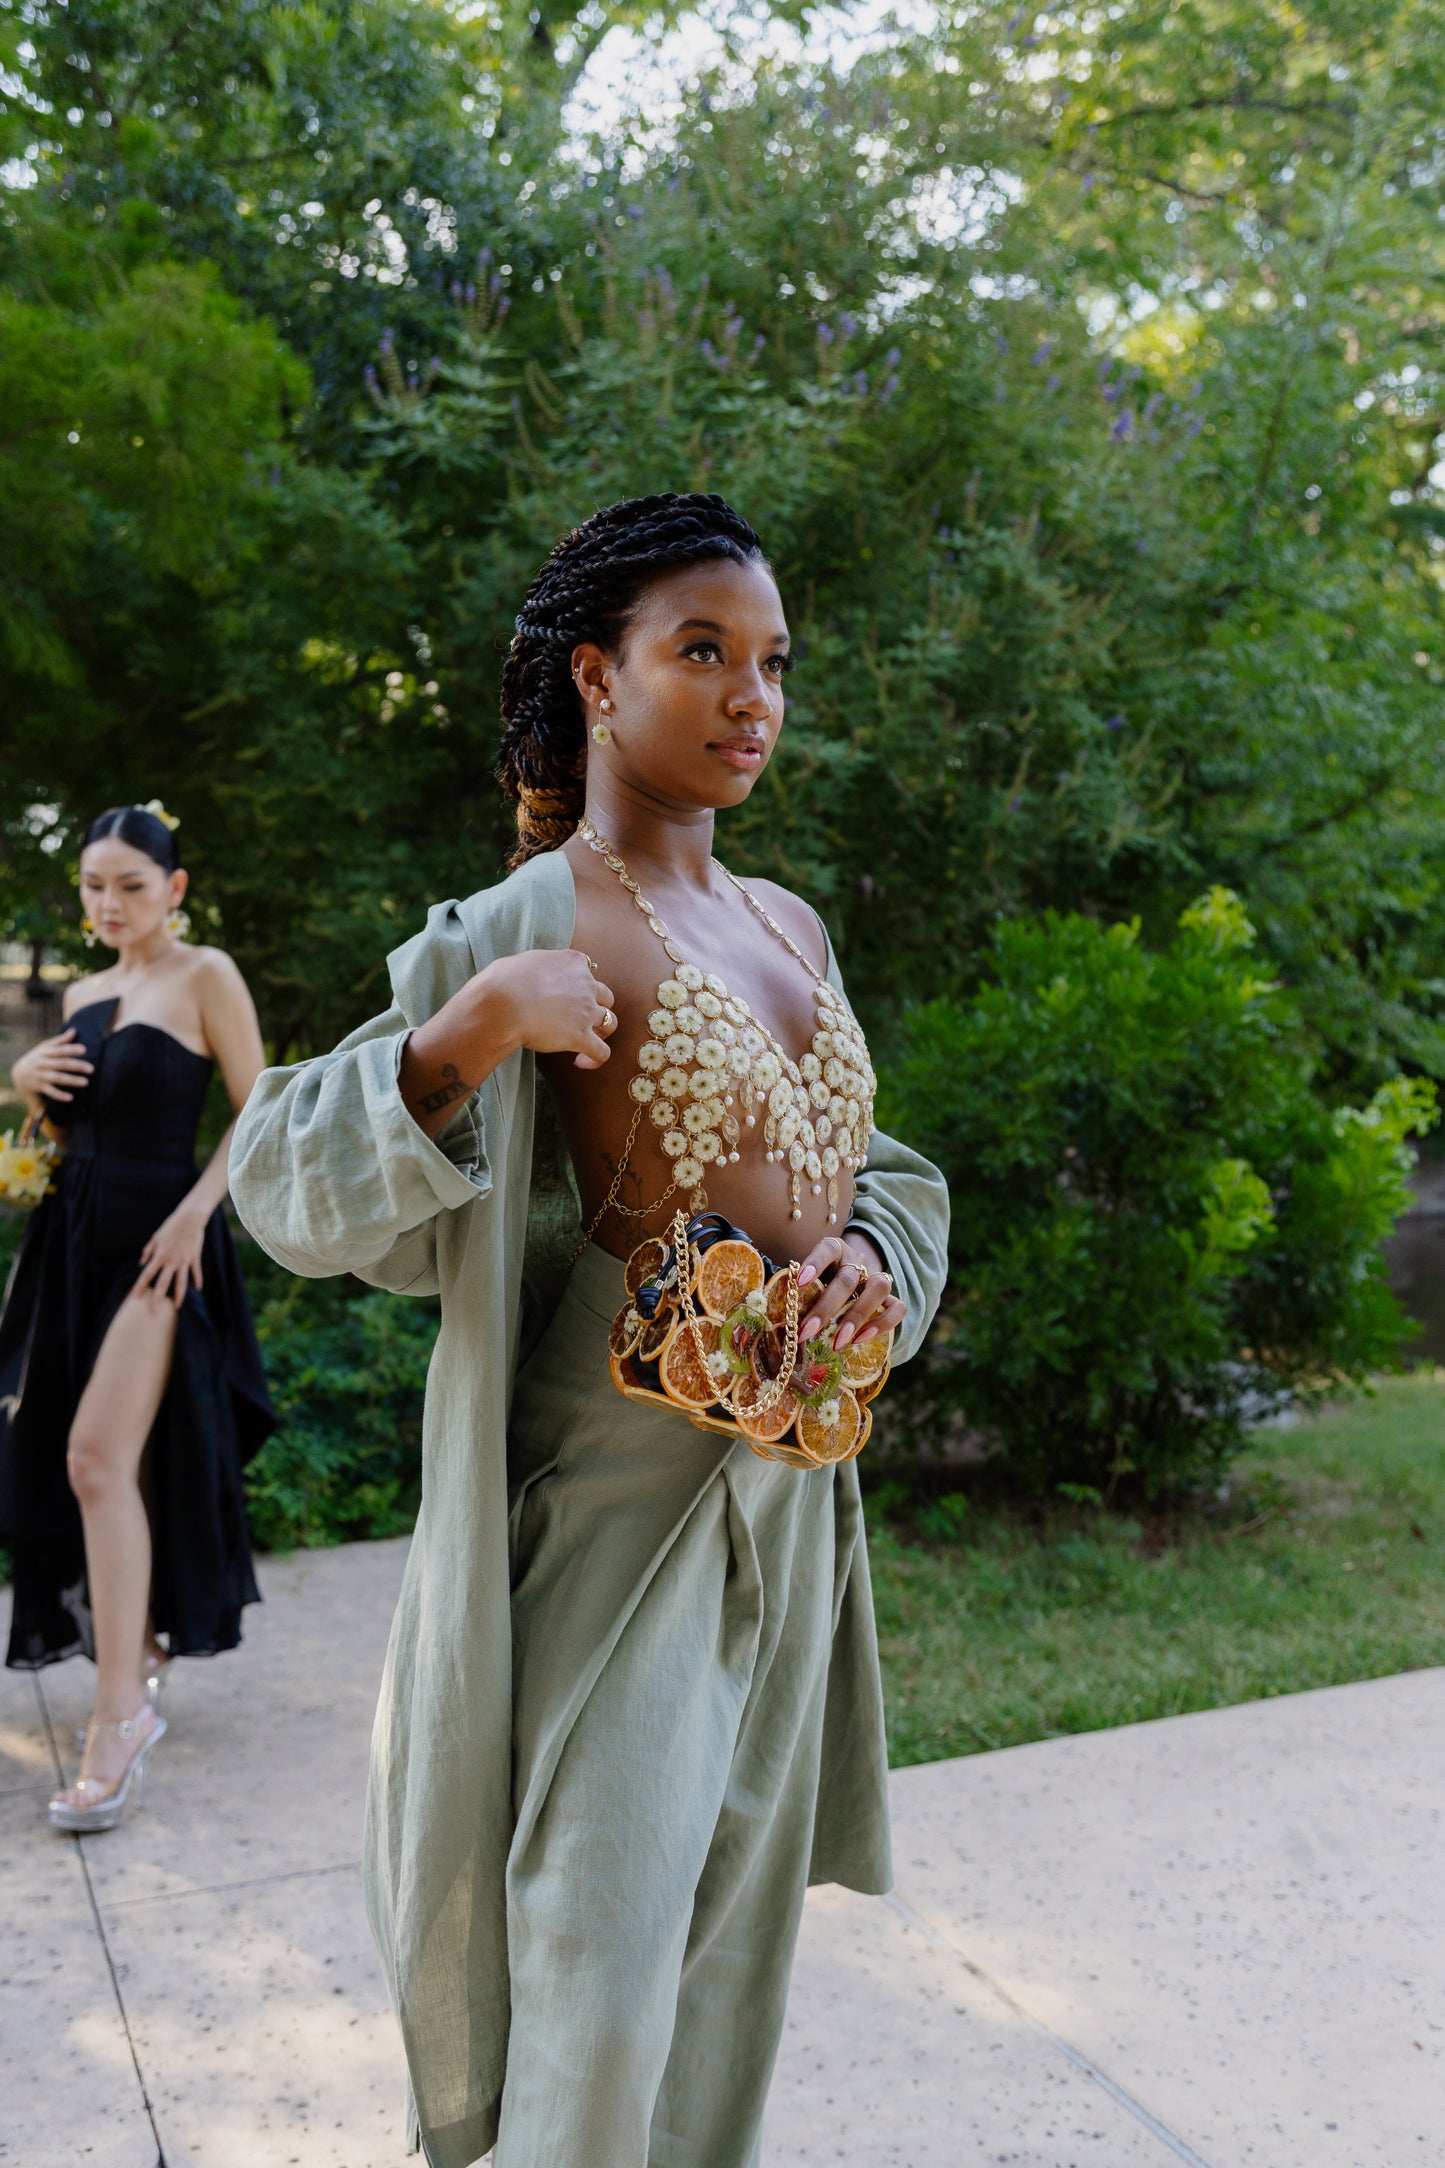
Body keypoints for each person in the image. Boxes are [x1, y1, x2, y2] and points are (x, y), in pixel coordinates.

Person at [230, 493, 949, 2168]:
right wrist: (468, 1031)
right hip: (615, 1492)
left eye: (773, 662)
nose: (751, 696)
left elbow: (878, 1167)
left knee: (722, 1968)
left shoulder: (790, 925)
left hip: (792, 1494)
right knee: (598, 1972)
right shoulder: (525, 922)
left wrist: (870, 1262)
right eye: (702, 651)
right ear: (598, 678)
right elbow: (279, 1179)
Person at [0, 803, 275, 1832]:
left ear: (174, 887)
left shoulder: (206, 974)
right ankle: (134, 1655)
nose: (108, 903)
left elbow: (261, 1108)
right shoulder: (81, 993)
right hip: (71, 1244)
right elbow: (64, 1129)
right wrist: (24, 1082)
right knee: (90, 1457)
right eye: (93, 886)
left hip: (162, 1247)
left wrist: (199, 1214)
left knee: (96, 1459)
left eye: (129, 884)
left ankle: (119, 1720)